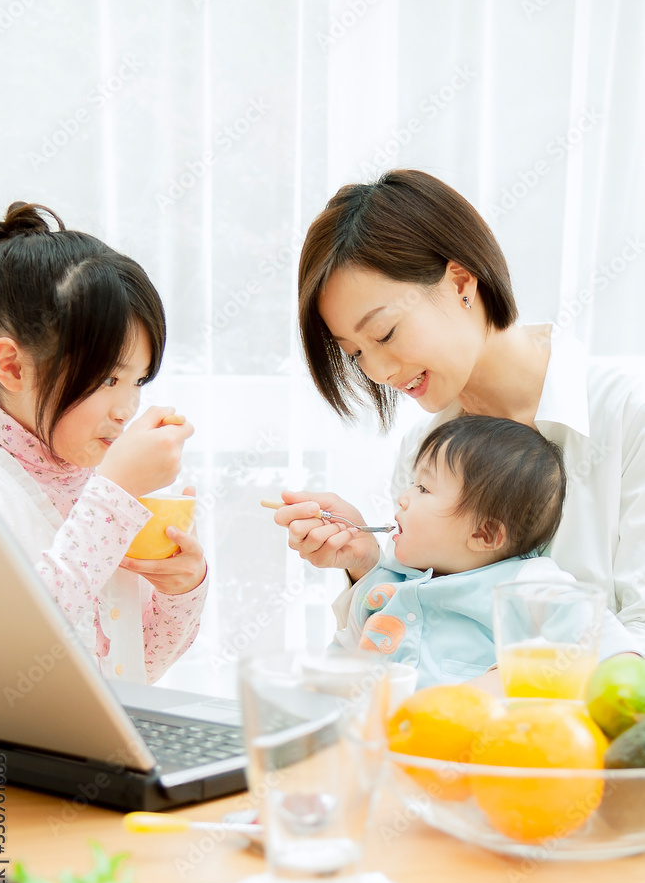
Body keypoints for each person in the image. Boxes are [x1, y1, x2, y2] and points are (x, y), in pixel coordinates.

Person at [274, 168, 645, 659]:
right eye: (356, 354)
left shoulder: (627, 416)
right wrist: (366, 566)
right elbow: (437, 636)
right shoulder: (422, 452)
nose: (380, 370)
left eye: (384, 333)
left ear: (461, 283)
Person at [0, 202, 207, 684]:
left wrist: (181, 590)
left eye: (138, 380)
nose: (127, 409)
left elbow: (136, 669)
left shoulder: (92, 481)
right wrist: (115, 496)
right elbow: (12, 659)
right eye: (107, 378)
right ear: (13, 367)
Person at [331, 414, 632, 685]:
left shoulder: (525, 583)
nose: (404, 498)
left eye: (423, 488)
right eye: (413, 483)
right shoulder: (387, 580)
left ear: (484, 534)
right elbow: (339, 665)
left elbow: (609, 644)